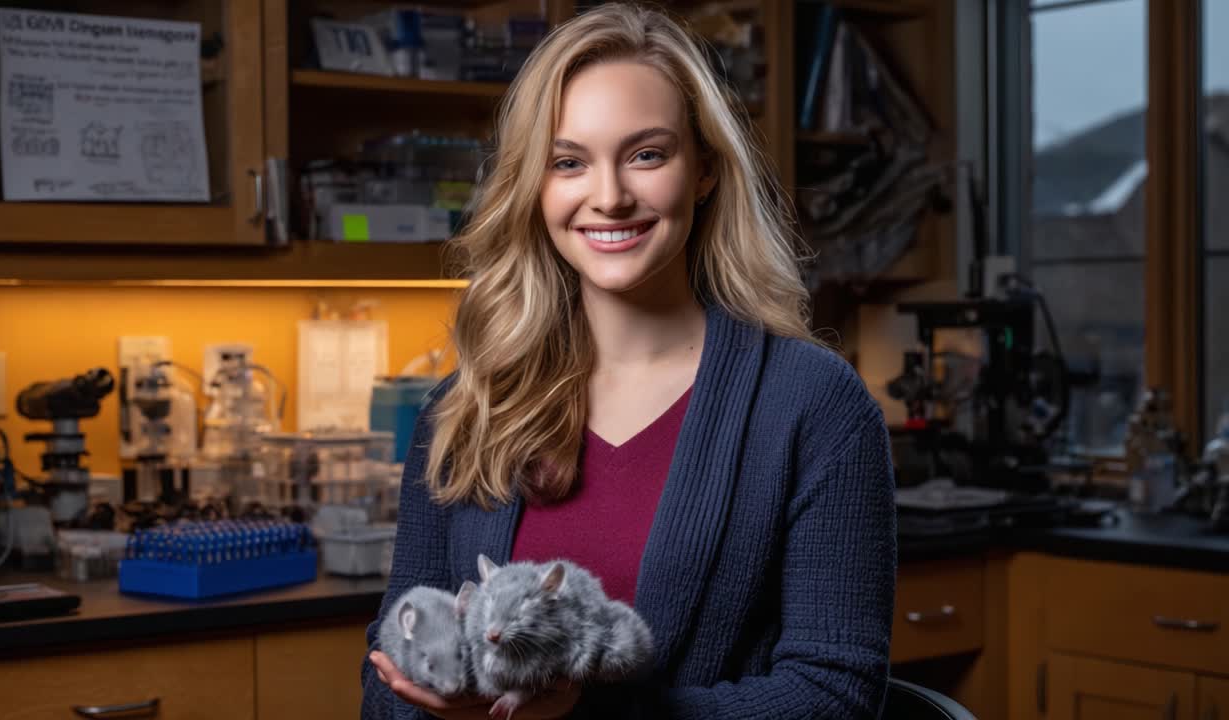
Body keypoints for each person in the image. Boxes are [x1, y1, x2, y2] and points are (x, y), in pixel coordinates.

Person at [363, 3, 896, 718]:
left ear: (704, 169)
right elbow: (387, 664)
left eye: (647, 154)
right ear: (535, 185)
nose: (609, 197)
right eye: (568, 162)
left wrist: (578, 718)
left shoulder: (813, 405)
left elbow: (837, 693)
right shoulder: (470, 406)